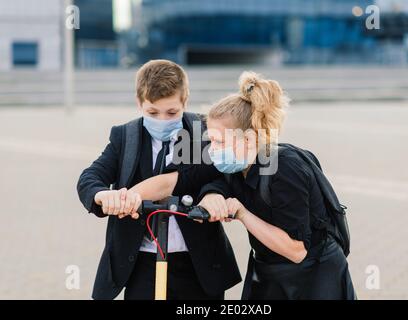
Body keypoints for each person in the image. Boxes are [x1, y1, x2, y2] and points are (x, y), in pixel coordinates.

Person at [134, 70, 356, 300]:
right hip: (268, 270)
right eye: (211, 140)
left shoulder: (285, 169)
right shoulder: (234, 164)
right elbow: (177, 181)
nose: (212, 149)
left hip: (315, 278)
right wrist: (127, 198)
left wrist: (242, 214)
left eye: (219, 141)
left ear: (248, 139)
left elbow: (296, 250)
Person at [76, 59, 241, 300]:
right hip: (142, 263)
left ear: (185, 100)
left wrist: (213, 194)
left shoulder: (206, 132)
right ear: (139, 103)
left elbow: (223, 174)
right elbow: (90, 178)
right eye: (152, 112)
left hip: (197, 265)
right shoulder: (124, 137)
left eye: (172, 112)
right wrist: (104, 195)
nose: (163, 120)